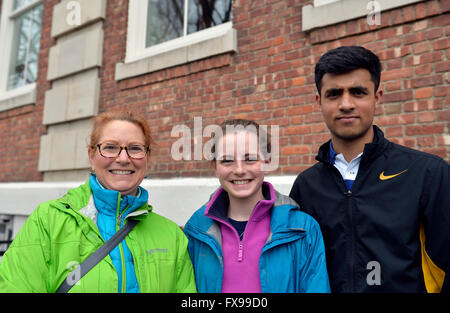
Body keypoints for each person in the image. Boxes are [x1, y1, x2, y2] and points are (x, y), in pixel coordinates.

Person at [289, 45, 450, 293]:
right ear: (319, 101)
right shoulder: (305, 186)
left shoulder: (429, 174)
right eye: (334, 94)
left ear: (377, 97)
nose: (346, 104)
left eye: (358, 92)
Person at [0, 110, 196, 293]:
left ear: (147, 157)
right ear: (92, 156)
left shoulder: (172, 236)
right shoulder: (47, 221)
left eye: (135, 148)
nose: (123, 158)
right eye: (110, 147)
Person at [184, 119, 330, 293]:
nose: (239, 170)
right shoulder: (196, 229)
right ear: (214, 167)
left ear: (267, 161)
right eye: (227, 160)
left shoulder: (303, 229)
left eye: (250, 159)